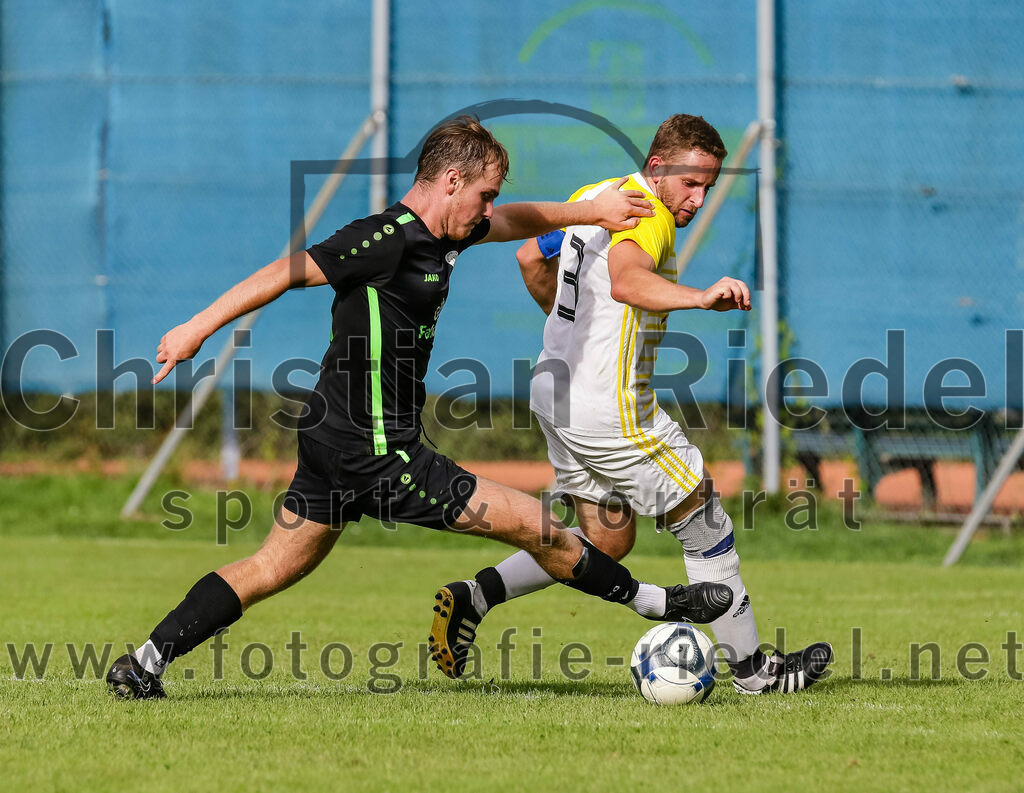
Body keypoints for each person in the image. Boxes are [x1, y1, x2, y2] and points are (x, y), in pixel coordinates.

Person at [105, 115, 736, 699]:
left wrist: (589, 212)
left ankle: (144, 661)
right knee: (534, 525)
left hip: (330, 437)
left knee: (271, 565)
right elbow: (283, 271)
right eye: (483, 195)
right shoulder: (385, 239)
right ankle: (659, 603)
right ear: (452, 181)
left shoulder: (447, 232)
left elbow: (515, 222)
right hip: (376, 450)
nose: (488, 209)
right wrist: (196, 327)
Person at [431, 114, 833, 694]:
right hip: (611, 409)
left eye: (708, 187)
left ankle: (476, 596)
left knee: (608, 539)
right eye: (690, 183)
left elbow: (528, 258)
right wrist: (699, 298)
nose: (696, 199)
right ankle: (754, 673)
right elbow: (626, 280)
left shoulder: (592, 197)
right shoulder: (649, 217)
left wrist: (576, 334)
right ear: (656, 169)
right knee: (703, 519)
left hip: (554, 393)